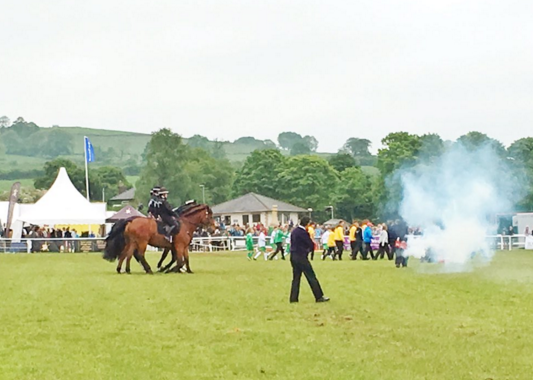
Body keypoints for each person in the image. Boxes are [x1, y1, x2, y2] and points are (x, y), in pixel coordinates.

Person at [289, 216, 329, 303]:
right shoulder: (303, 233)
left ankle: (293, 298)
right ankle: (319, 296)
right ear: (307, 224)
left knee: (296, 278)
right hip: (301, 257)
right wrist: (308, 250)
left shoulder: (294, 231)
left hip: (293, 256)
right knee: (311, 276)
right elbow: (310, 244)